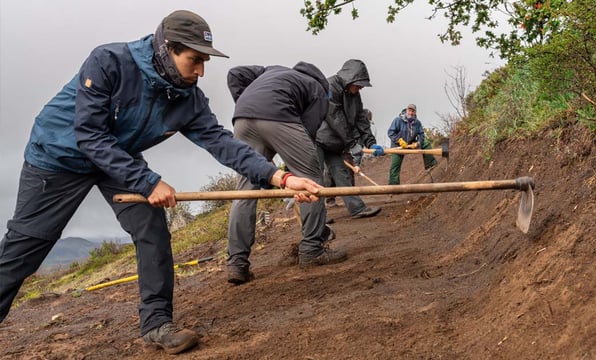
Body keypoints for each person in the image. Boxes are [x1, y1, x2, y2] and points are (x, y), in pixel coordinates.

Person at [0, 10, 320, 355]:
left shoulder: (187, 97)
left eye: (205, 62)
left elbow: (220, 141)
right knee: (27, 247)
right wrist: (148, 182)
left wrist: (280, 177)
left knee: (152, 231)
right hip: (58, 156)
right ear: (167, 49)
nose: (200, 71)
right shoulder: (108, 61)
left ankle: (156, 324)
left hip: (118, 159)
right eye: (194, 60)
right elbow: (89, 135)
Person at [225, 61, 346, 284]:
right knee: (310, 177)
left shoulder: (271, 70)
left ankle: (237, 263)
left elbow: (235, 74)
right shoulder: (319, 90)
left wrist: (245, 103)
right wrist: (293, 172)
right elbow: (308, 133)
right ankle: (312, 249)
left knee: (245, 192)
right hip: (278, 116)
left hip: (242, 119)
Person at [316, 59, 384, 218]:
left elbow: (360, 118)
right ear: (349, 79)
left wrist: (371, 143)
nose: (360, 87)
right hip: (316, 139)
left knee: (342, 175)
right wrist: (352, 144)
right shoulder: (330, 87)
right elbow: (335, 118)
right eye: (359, 84)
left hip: (334, 142)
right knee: (315, 177)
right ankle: (317, 218)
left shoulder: (354, 94)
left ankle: (357, 209)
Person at [387, 104, 438, 185]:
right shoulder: (398, 120)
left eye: (413, 111)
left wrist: (418, 143)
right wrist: (399, 140)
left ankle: (430, 164)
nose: (411, 113)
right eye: (409, 110)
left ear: (415, 112)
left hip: (410, 145)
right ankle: (393, 187)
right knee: (395, 166)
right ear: (406, 111)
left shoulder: (417, 123)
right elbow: (390, 132)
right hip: (398, 146)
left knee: (426, 143)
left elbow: (421, 135)